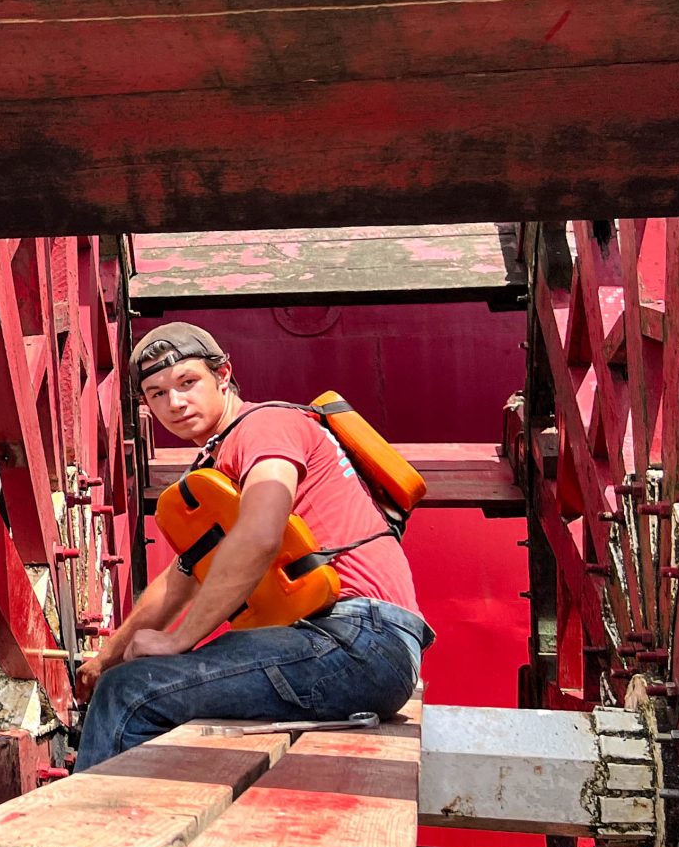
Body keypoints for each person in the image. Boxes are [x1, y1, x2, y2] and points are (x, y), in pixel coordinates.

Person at [72, 322, 433, 771]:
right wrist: (103, 660)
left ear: (223, 374)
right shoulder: (217, 460)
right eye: (157, 393)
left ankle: (93, 834)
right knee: (129, 680)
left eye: (188, 383)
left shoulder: (264, 426)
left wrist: (180, 638)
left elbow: (261, 534)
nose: (175, 403)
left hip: (357, 642)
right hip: (345, 644)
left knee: (131, 693)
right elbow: (181, 580)